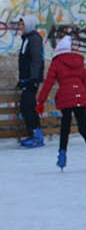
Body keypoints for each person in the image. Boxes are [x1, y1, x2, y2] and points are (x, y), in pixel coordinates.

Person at [36, 31, 86, 171]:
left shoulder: (57, 62)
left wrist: (41, 101)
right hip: (81, 97)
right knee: (84, 129)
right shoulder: (79, 62)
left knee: (65, 128)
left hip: (66, 98)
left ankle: (62, 157)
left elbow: (48, 83)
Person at [16, 14, 45, 147]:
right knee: (26, 107)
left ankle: (36, 136)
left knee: (28, 107)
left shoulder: (34, 39)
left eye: (22, 24)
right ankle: (33, 134)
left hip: (31, 80)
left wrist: (33, 79)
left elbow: (36, 60)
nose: (20, 27)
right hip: (27, 79)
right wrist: (22, 80)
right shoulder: (27, 39)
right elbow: (25, 60)